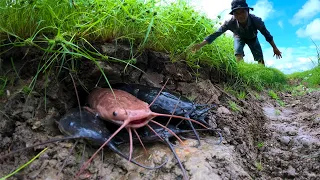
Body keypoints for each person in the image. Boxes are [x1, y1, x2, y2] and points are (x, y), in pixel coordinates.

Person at [191, 0, 282, 65]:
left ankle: (262, 74)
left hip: (252, 38)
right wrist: (200, 45)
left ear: (248, 11)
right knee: (238, 51)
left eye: (242, 12)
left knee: (259, 58)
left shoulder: (256, 21)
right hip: (239, 36)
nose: (240, 16)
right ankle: (241, 71)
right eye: (236, 13)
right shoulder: (230, 22)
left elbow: (267, 35)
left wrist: (275, 48)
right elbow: (216, 33)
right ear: (233, 14)